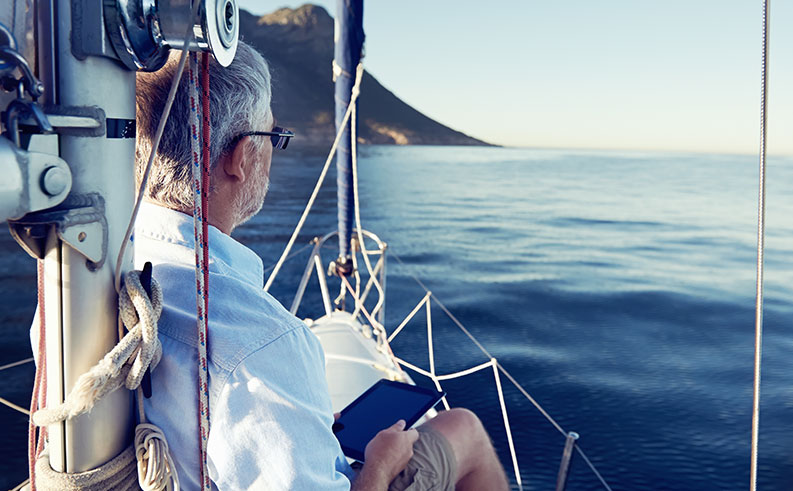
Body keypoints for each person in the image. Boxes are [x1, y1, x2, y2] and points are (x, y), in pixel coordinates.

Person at [134, 41, 509, 490]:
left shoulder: (100, 280)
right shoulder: (264, 346)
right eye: (274, 138)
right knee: (463, 427)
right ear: (241, 158)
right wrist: (381, 465)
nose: (274, 152)